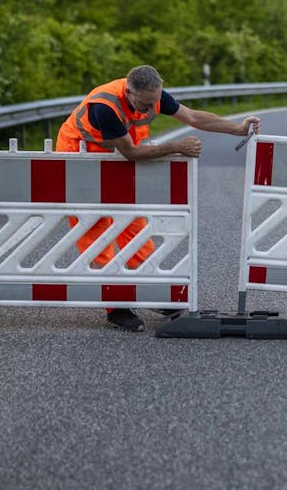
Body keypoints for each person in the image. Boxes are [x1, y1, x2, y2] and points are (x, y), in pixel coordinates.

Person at [56, 65, 260, 332]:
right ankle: (116, 306)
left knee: (134, 224)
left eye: (155, 102)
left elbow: (194, 118)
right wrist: (176, 146)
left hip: (115, 159)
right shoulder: (104, 106)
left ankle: (150, 289)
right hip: (80, 159)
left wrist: (238, 128)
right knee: (95, 229)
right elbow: (130, 151)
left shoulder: (153, 94)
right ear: (129, 92)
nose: (150, 108)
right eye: (144, 103)